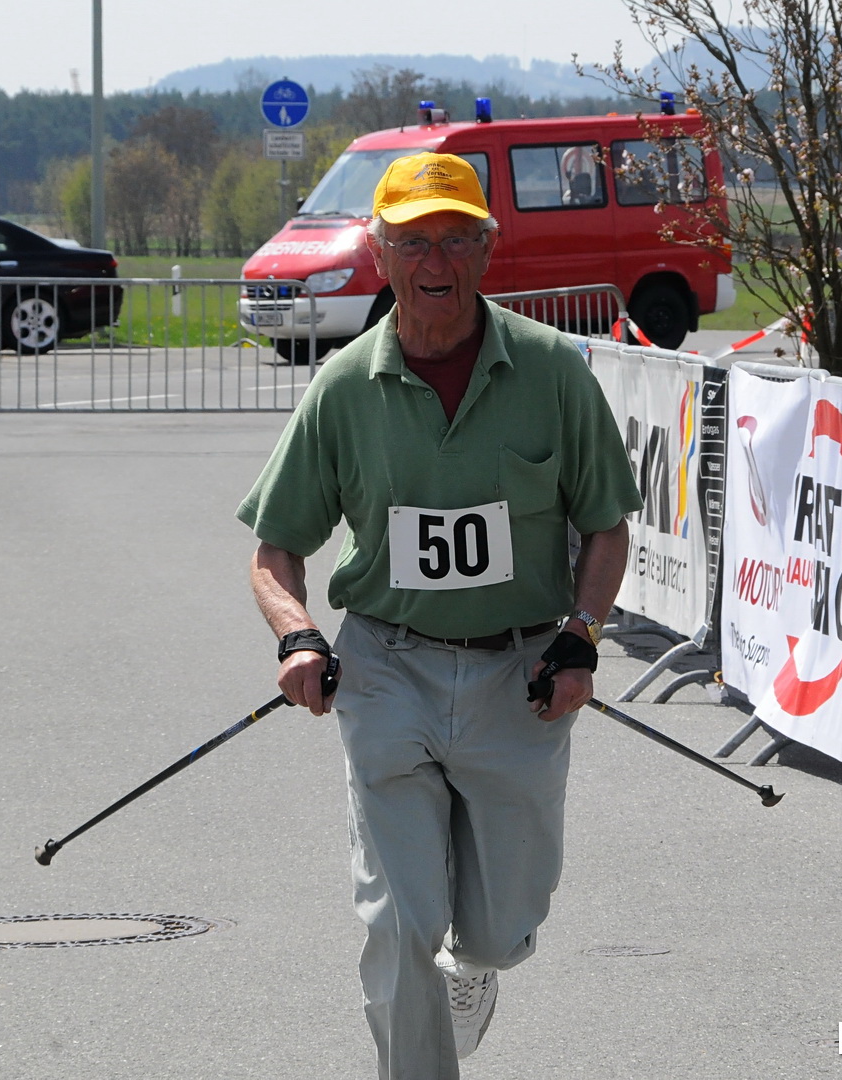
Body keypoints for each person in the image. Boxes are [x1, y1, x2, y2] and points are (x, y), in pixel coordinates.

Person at [237, 152, 641, 1079]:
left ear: (486, 251)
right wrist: (298, 635)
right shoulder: (342, 387)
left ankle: (478, 968)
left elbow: (606, 527)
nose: (436, 261)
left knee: (500, 928)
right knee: (399, 922)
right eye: (415, 241)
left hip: (521, 676)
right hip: (388, 672)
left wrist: (581, 637)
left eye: (457, 239)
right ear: (380, 254)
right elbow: (274, 551)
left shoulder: (551, 371)